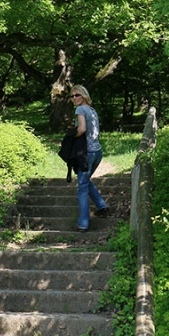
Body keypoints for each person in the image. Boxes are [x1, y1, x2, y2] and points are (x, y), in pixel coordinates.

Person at [71, 85, 109, 232]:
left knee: (81, 188)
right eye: (72, 96)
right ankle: (102, 205)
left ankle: (83, 224)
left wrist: (70, 138)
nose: (74, 98)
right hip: (97, 152)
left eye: (77, 95)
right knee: (85, 181)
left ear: (84, 95)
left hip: (87, 154)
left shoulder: (80, 110)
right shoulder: (92, 111)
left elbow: (82, 129)